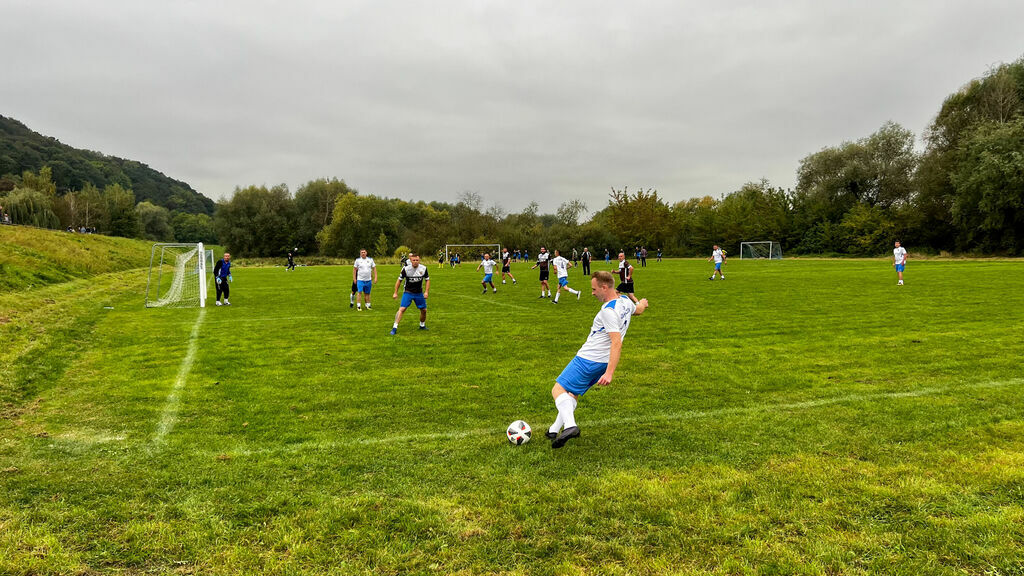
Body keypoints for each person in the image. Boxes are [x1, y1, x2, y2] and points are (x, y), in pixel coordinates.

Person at [546, 271, 648, 448]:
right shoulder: (625, 301)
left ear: (604, 287)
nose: (592, 293)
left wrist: (610, 373)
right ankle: (554, 429)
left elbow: (616, 342)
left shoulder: (608, 311)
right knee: (572, 393)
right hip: (600, 363)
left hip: (588, 359)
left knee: (558, 389)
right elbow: (637, 310)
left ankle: (570, 426)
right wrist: (643, 303)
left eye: (594, 289)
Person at [391, 253, 429, 335]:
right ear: (410, 260)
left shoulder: (424, 268)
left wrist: (426, 291)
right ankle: (394, 327)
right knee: (402, 309)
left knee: (424, 310)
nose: (415, 262)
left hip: (419, 293)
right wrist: (395, 292)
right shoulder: (405, 269)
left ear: (419, 260)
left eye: (417, 260)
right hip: (408, 292)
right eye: (414, 260)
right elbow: (399, 281)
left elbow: (427, 280)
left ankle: (422, 326)